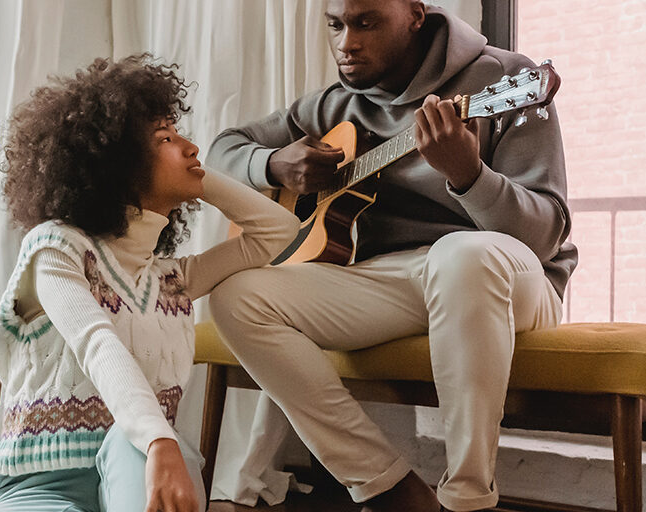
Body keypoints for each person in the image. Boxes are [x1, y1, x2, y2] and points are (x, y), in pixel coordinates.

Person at [205, 1, 577, 511]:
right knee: (235, 294)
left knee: (461, 257)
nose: (346, 43)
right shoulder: (332, 106)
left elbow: (544, 236)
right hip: (392, 283)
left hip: (504, 279)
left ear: (415, 16)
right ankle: (386, 484)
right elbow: (222, 150)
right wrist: (273, 164)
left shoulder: (507, 80)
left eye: (366, 23)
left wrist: (471, 177)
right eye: (336, 25)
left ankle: (467, 498)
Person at [0, 54, 299, 512]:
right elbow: (96, 343)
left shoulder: (170, 279)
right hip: (41, 489)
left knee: (137, 443)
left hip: (143, 474)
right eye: (166, 138)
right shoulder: (55, 247)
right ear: (119, 163)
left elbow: (279, 232)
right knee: (152, 439)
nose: (192, 148)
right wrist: (158, 440)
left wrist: (195, 178)